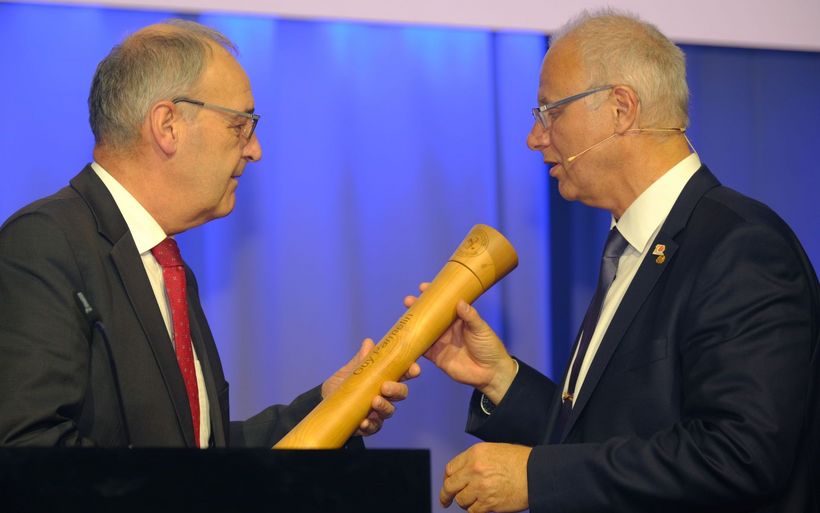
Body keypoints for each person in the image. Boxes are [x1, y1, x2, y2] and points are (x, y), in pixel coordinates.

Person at [410, 9, 820, 513]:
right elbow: (609, 435)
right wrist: (500, 378)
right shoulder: (630, 247)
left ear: (621, 109)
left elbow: (741, 455)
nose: (534, 137)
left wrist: (535, 477)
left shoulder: (741, 247)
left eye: (549, 111)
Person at [0, 20, 418, 448]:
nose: (255, 150)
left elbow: (201, 458)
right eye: (240, 125)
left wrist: (330, 407)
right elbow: (29, 454)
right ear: (168, 126)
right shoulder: (44, 245)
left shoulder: (166, 266)